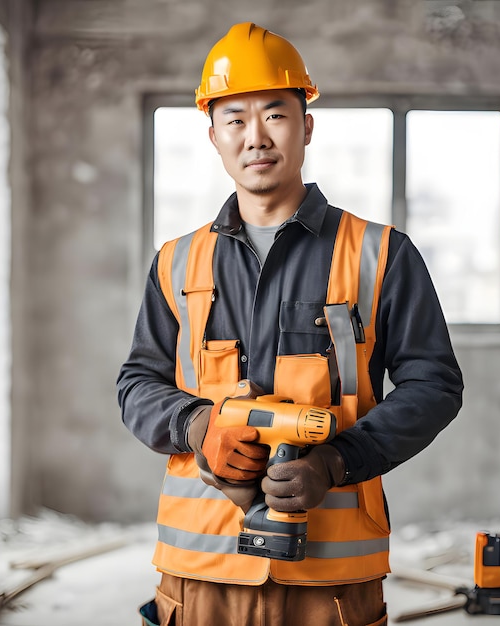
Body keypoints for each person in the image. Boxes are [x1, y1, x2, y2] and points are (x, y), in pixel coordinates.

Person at [117, 21, 463, 626]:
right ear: (213, 135)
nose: (256, 137)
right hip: (202, 572)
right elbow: (137, 383)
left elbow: (434, 384)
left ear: (306, 124)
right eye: (235, 120)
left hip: (329, 580)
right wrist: (199, 424)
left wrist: (336, 462)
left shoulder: (382, 254)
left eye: (274, 114)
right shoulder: (176, 261)